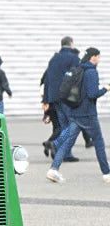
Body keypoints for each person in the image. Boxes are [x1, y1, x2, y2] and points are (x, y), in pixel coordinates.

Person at [46, 47, 110, 185]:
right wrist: (106, 89)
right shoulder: (91, 72)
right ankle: (107, 173)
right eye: (98, 57)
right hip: (88, 115)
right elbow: (92, 94)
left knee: (68, 141)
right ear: (93, 57)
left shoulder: (78, 69)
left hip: (75, 112)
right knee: (99, 141)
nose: (98, 60)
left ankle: (53, 169)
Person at [41, 36, 84, 161]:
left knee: (64, 125)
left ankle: (64, 154)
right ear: (71, 44)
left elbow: (47, 80)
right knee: (72, 125)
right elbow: (78, 78)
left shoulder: (54, 59)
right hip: (68, 97)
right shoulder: (74, 58)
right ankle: (56, 144)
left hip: (55, 97)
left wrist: (46, 99)